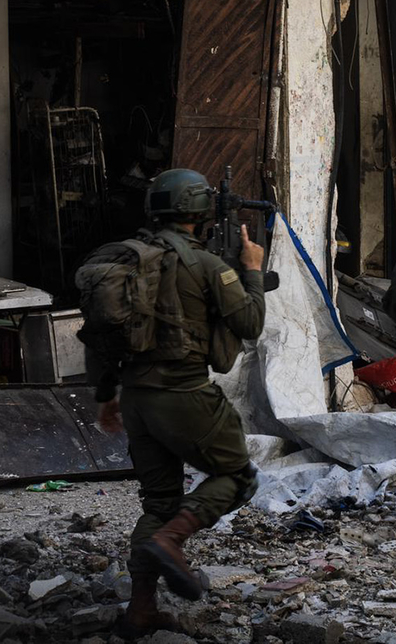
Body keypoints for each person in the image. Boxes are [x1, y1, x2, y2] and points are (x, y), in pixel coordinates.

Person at [92, 168, 266, 637]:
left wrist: (106, 394)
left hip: (136, 399)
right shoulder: (207, 265)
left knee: (159, 501)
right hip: (184, 393)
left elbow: (103, 334)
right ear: (200, 211)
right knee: (238, 477)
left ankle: (141, 610)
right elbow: (250, 323)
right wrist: (251, 269)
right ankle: (171, 540)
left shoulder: (129, 263)